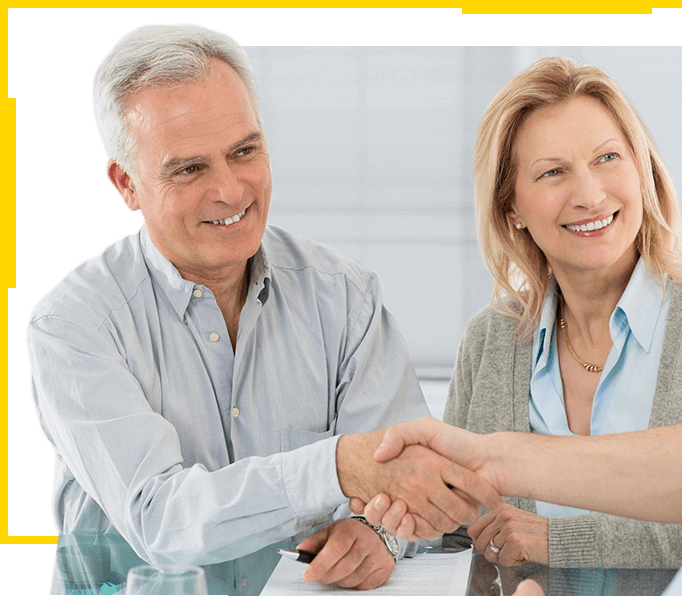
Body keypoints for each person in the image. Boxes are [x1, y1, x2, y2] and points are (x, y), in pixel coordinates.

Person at [363, 47, 682, 595]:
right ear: (511, 208)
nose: (589, 194)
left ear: (642, 168)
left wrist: (559, 539)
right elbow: (456, 525)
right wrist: (385, 533)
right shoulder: (491, 340)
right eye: (553, 172)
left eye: (607, 158)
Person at [27, 23, 498, 592]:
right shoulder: (73, 325)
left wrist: (379, 534)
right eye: (189, 168)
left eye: (244, 151)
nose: (230, 190)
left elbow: (411, 487)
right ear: (126, 184)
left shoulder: (344, 296)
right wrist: (336, 467)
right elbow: (161, 518)